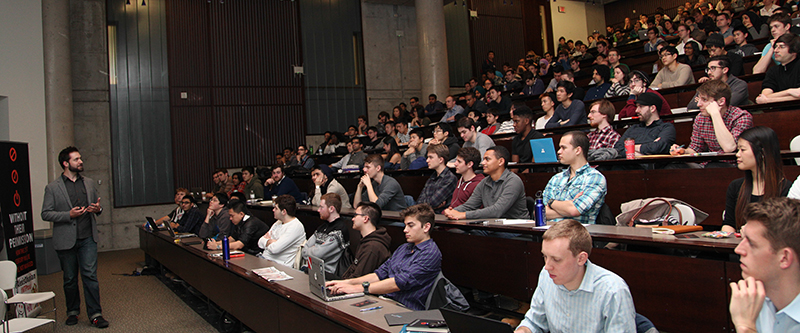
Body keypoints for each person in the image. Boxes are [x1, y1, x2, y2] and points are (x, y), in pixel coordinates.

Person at [514, 220, 636, 333]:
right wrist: (524, 330)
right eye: (545, 256)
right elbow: (534, 321)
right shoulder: (547, 276)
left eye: (556, 259)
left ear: (581, 259)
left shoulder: (613, 290)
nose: (547, 266)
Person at [41, 146, 109, 328]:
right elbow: (45, 214)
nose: (81, 162)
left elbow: (97, 207)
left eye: (80, 159)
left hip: (88, 238)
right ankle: (72, 312)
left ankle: (96, 314)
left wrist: (98, 209)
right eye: (76, 159)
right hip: (65, 240)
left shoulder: (89, 182)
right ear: (65, 163)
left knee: (90, 276)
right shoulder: (52, 188)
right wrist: (68, 215)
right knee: (70, 279)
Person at [326, 204, 442, 311]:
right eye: (405, 225)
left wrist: (358, 288)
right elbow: (379, 274)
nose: (405, 230)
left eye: (410, 225)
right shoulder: (404, 248)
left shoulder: (430, 253)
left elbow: (398, 283)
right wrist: (347, 283)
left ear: (426, 227)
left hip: (405, 309)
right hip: (384, 301)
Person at [728, 198, 800, 332]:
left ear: (784, 258)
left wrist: (746, 328)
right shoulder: (754, 301)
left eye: (751, 243)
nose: (738, 250)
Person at [722, 127, 790, 233]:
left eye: (743, 150)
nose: (737, 154)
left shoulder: (785, 188)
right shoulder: (736, 186)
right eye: (738, 150)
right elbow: (729, 224)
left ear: (762, 153)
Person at [670, 80, 754, 167]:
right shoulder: (700, 118)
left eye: (705, 100)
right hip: (709, 164)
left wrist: (715, 115)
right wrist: (683, 151)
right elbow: (695, 148)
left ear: (721, 102)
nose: (698, 104)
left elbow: (729, 148)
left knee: (714, 165)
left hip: (734, 165)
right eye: (699, 99)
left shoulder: (741, 117)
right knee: (673, 165)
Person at [443, 146, 528, 220]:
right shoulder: (484, 182)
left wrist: (463, 215)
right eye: (483, 159)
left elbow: (497, 211)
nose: (483, 163)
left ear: (500, 161)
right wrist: (453, 211)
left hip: (515, 229)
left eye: (487, 159)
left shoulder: (513, 181)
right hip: (493, 226)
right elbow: (470, 205)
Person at [544, 132, 608, 224]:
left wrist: (550, 202)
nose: (559, 151)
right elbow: (540, 212)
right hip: (550, 232)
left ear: (578, 150)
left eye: (563, 148)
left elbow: (575, 210)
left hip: (577, 234)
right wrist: (569, 207)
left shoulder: (595, 178)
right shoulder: (556, 178)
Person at [614, 92, 676, 158]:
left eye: (641, 106)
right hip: (627, 166)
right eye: (637, 107)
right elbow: (618, 148)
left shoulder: (666, 128)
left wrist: (630, 147)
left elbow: (657, 147)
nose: (636, 110)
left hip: (651, 167)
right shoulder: (633, 129)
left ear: (652, 108)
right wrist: (641, 154)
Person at [302, 193, 350, 278]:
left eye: (321, 207)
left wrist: (313, 248)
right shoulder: (322, 227)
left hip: (326, 275)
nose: (318, 210)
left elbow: (318, 254)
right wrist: (315, 249)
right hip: (312, 271)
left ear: (331, 209)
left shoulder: (339, 230)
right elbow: (304, 251)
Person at [340, 202, 392, 280]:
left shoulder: (372, 247)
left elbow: (359, 278)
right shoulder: (366, 241)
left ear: (365, 218)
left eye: (355, 215)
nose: (352, 219)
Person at [258, 194, 306, 265]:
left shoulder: (295, 226)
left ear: (284, 212)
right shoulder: (279, 222)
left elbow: (275, 249)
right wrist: (270, 241)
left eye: (276, 208)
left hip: (279, 265)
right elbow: (260, 242)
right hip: (264, 258)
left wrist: (267, 241)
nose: (273, 210)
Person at [757, 33, 800, 104]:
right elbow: (764, 95)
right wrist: (789, 91)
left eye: (781, 47)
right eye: (776, 47)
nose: (776, 50)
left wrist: (769, 100)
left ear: (794, 51)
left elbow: (799, 95)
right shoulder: (773, 71)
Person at [415, 144, 458, 213]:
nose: (427, 160)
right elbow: (419, 201)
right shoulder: (432, 178)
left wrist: (432, 204)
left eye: (430, 157)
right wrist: (433, 205)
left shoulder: (450, 178)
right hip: (428, 215)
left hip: (441, 217)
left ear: (441, 160)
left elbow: (434, 202)